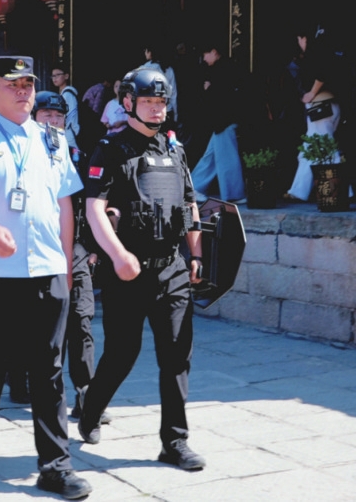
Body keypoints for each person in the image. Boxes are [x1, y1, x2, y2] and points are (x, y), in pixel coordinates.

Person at [0, 55, 92, 500]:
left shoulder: (53, 139)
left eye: (28, 83)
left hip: (47, 268)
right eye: (12, 84)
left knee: (48, 368)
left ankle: (55, 465)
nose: (23, 90)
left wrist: (66, 262)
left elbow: (66, 202)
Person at [79, 68, 207, 472]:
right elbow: (94, 208)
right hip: (128, 274)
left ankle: (175, 442)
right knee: (122, 354)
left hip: (171, 269)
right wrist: (118, 255)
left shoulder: (175, 150)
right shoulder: (110, 150)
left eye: (161, 102)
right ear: (129, 103)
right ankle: (90, 410)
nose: (156, 109)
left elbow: (189, 204)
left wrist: (196, 255)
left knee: (176, 357)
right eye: (149, 102)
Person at [31, 90, 111, 424]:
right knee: (40, 328)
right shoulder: (24, 156)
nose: (53, 122)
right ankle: (36, 386)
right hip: (36, 250)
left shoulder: (77, 155)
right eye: (46, 116)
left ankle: (85, 394)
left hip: (75, 250)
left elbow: (92, 203)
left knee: (81, 322)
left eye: (59, 116)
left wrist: (93, 248)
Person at [284, 26, 344, 201]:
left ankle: (341, 190)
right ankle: (299, 190)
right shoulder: (327, 52)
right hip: (326, 106)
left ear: (305, 39)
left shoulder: (317, 53)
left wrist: (311, 93)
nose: (299, 43)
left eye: (300, 39)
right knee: (313, 148)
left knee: (323, 148)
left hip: (321, 107)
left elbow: (322, 74)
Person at [189, 42, 247, 203]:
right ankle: (231, 194)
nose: (204, 59)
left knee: (219, 158)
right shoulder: (227, 68)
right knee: (222, 157)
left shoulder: (220, 70)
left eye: (205, 54)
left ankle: (194, 188)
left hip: (223, 120)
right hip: (225, 120)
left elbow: (220, 96)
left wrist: (209, 89)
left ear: (214, 52)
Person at [141, 44, 179, 122]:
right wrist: (175, 115)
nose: (145, 53)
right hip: (167, 111)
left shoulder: (145, 68)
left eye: (146, 51)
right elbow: (173, 95)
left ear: (150, 52)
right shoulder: (169, 69)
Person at [51, 63, 81, 150]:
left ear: (66, 76)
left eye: (57, 75)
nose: (55, 78)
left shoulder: (68, 94)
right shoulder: (63, 94)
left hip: (70, 133)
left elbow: (71, 114)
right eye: (53, 76)